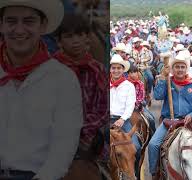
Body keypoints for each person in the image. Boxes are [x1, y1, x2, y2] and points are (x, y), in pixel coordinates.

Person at [0, 0, 83, 179]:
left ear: (42, 26)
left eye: (29, 21)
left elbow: (63, 146)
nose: (19, 30)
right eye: (11, 21)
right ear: (1, 25)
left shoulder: (63, 78)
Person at [148, 53, 192, 179]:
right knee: (153, 144)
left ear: (186, 68)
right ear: (173, 69)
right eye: (177, 67)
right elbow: (157, 96)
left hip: (190, 122)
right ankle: (155, 173)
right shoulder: (167, 82)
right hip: (170, 122)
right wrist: (163, 79)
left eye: (182, 67)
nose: (180, 69)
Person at [53, 13, 107, 156]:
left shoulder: (96, 69)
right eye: (69, 36)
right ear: (59, 42)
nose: (75, 41)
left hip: (89, 136)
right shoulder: (50, 70)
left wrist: (85, 133)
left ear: (87, 38)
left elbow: (102, 108)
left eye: (79, 35)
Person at [109, 54, 141, 178]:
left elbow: (130, 106)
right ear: (110, 69)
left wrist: (122, 119)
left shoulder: (129, 86)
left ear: (123, 70)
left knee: (136, 147)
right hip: (106, 120)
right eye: (113, 68)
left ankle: (134, 174)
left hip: (123, 120)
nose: (116, 70)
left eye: (119, 68)